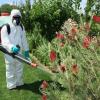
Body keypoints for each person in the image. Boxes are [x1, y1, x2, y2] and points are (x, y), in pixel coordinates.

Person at [1, 9, 30, 90]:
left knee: (19, 67)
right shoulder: (6, 27)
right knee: (10, 68)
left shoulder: (21, 27)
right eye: (15, 17)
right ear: (11, 17)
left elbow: (24, 39)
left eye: (18, 18)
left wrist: (26, 50)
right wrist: (12, 47)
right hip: (9, 52)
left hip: (19, 51)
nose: (17, 20)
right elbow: (4, 41)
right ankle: (11, 85)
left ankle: (19, 82)